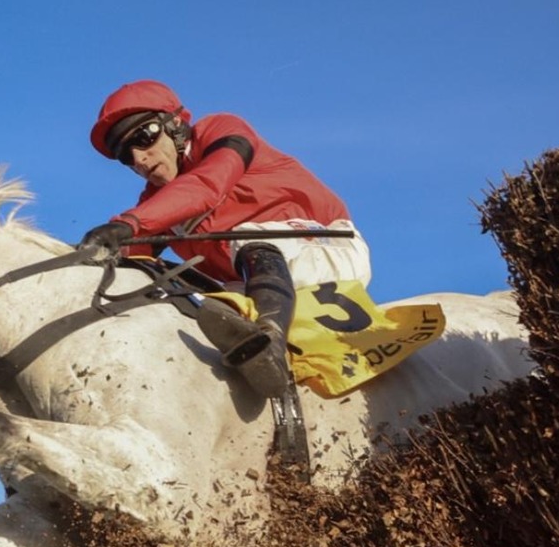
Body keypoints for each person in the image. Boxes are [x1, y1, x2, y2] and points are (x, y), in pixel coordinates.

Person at [79, 79, 371, 398]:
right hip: (256, 282)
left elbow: (206, 186)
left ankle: (270, 344)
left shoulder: (222, 129)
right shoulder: (152, 202)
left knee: (248, 241)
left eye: (143, 137)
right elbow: (131, 262)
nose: (139, 158)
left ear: (175, 123)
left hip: (327, 247)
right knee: (173, 290)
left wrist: (128, 225)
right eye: (125, 155)